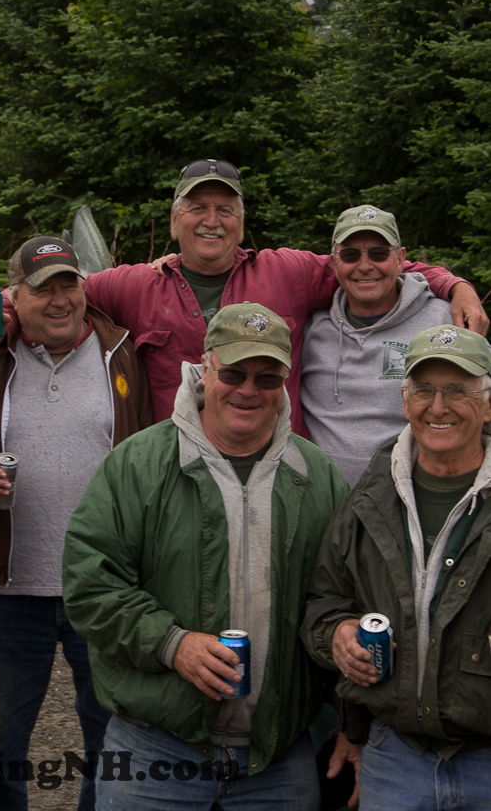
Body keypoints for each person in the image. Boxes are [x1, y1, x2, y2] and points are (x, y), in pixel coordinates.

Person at [62, 302, 358, 810]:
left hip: (278, 759)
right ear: (205, 367)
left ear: (285, 381)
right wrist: (172, 644)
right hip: (153, 752)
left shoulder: (317, 475)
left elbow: (342, 604)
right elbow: (90, 584)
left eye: (267, 377)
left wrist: (353, 721)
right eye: (234, 373)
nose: (248, 389)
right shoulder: (137, 464)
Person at [0, 160, 488, 434]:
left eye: (225, 209)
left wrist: (454, 285)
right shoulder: (132, 285)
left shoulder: (289, 272)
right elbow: (54, 292)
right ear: (174, 222)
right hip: (174, 473)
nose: (211, 220)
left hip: (276, 466)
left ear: (241, 222)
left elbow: (370, 266)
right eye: (197, 208)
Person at [0, 236, 153, 811]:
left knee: (111, 742)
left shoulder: (124, 354)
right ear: (14, 297)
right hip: (7, 591)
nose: (60, 300)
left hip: (105, 587)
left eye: (69, 285)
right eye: (43, 290)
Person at [302, 324, 491, 811]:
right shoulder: (369, 498)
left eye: (458, 390)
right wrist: (338, 634)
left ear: (488, 404)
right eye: (423, 390)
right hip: (394, 757)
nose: (438, 406)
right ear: (405, 402)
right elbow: (323, 601)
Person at [301, 205, 454, 485]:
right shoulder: (311, 327)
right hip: (323, 498)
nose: (365, 266)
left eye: (379, 253)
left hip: (410, 496)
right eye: (350, 254)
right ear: (334, 262)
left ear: (400, 258)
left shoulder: (444, 323)